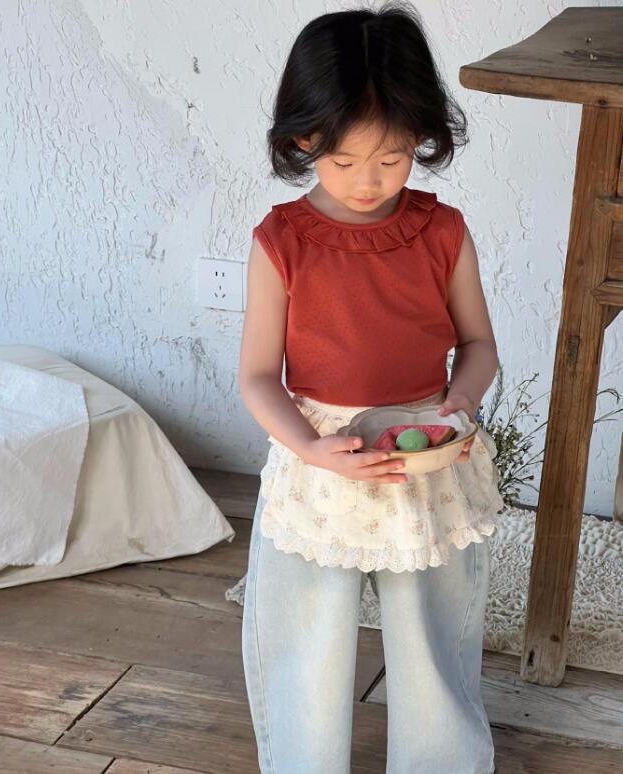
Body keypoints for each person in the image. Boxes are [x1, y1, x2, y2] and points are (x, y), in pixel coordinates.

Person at [239, 4, 504, 772]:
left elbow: (478, 344)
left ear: (421, 137)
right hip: (321, 457)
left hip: (424, 456)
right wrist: (310, 449)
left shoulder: (442, 232)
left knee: (432, 632)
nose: (368, 181)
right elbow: (256, 377)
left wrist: (460, 404)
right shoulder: (281, 241)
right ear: (304, 141)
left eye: (391, 159)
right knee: (306, 638)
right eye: (345, 160)